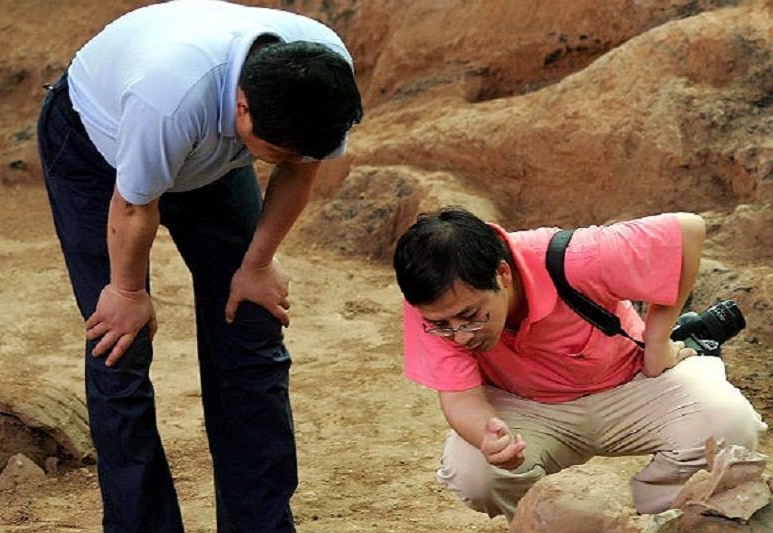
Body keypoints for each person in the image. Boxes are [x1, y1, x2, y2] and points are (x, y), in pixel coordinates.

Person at [37, 1, 362, 531]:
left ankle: (259, 525)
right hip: (98, 151)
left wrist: (257, 265)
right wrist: (127, 292)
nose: (284, 159)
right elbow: (134, 205)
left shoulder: (321, 76)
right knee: (118, 343)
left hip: (208, 156)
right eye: (275, 150)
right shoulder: (168, 96)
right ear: (243, 108)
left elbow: (299, 173)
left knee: (252, 321)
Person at [393, 207, 766, 521]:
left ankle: (648, 518)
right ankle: (548, 522)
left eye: (471, 317)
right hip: (529, 406)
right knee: (474, 471)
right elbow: (460, 398)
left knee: (730, 423)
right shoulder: (435, 304)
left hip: (629, 384)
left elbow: (687, 231)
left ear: (502, 275)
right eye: (442, 325)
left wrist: (657, 343)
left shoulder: (577, 257)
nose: (459, 336)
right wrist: (487, 436)